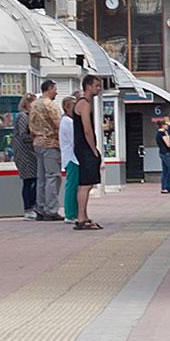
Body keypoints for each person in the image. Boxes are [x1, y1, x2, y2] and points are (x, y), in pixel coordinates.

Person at [71, 74, 104, 229]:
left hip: (81, 147)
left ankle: (82, 216)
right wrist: (94, 149)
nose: (99, 89)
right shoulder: (84, 104)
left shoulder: (81, 103)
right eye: (96, 86)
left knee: (86, 183)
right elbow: (87, 129)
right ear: (88, 86)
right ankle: (81, 218)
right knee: (85, 184)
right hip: (85, 148)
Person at [29, 81, 64, 222]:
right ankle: (51, 210)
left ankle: (41, 207)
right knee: (53, 177)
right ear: (49, 89)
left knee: (41, 177)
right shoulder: (50, 105)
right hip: (50, 143)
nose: (56, 92)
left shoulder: (34, 104)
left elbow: (30, 125)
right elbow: (58, 125)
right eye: (55, 89)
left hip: (37, 142)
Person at [12, 92, 38, 218]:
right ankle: (28, 208)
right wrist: (35, 137)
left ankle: (32, 206)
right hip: (24, 153)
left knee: (32, 180)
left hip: (29, 152)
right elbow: (23, 135)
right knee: (29, 181)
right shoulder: (23, 116)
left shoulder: (28, 116)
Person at [59, 90, 79, 222]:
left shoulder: (68, 121)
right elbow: (75, 139)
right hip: (72, 157)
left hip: (71, 157)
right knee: (72, 186)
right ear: (67, 107)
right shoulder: (67, 122)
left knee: (74, 185)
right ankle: (70, 213)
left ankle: (74, 211)